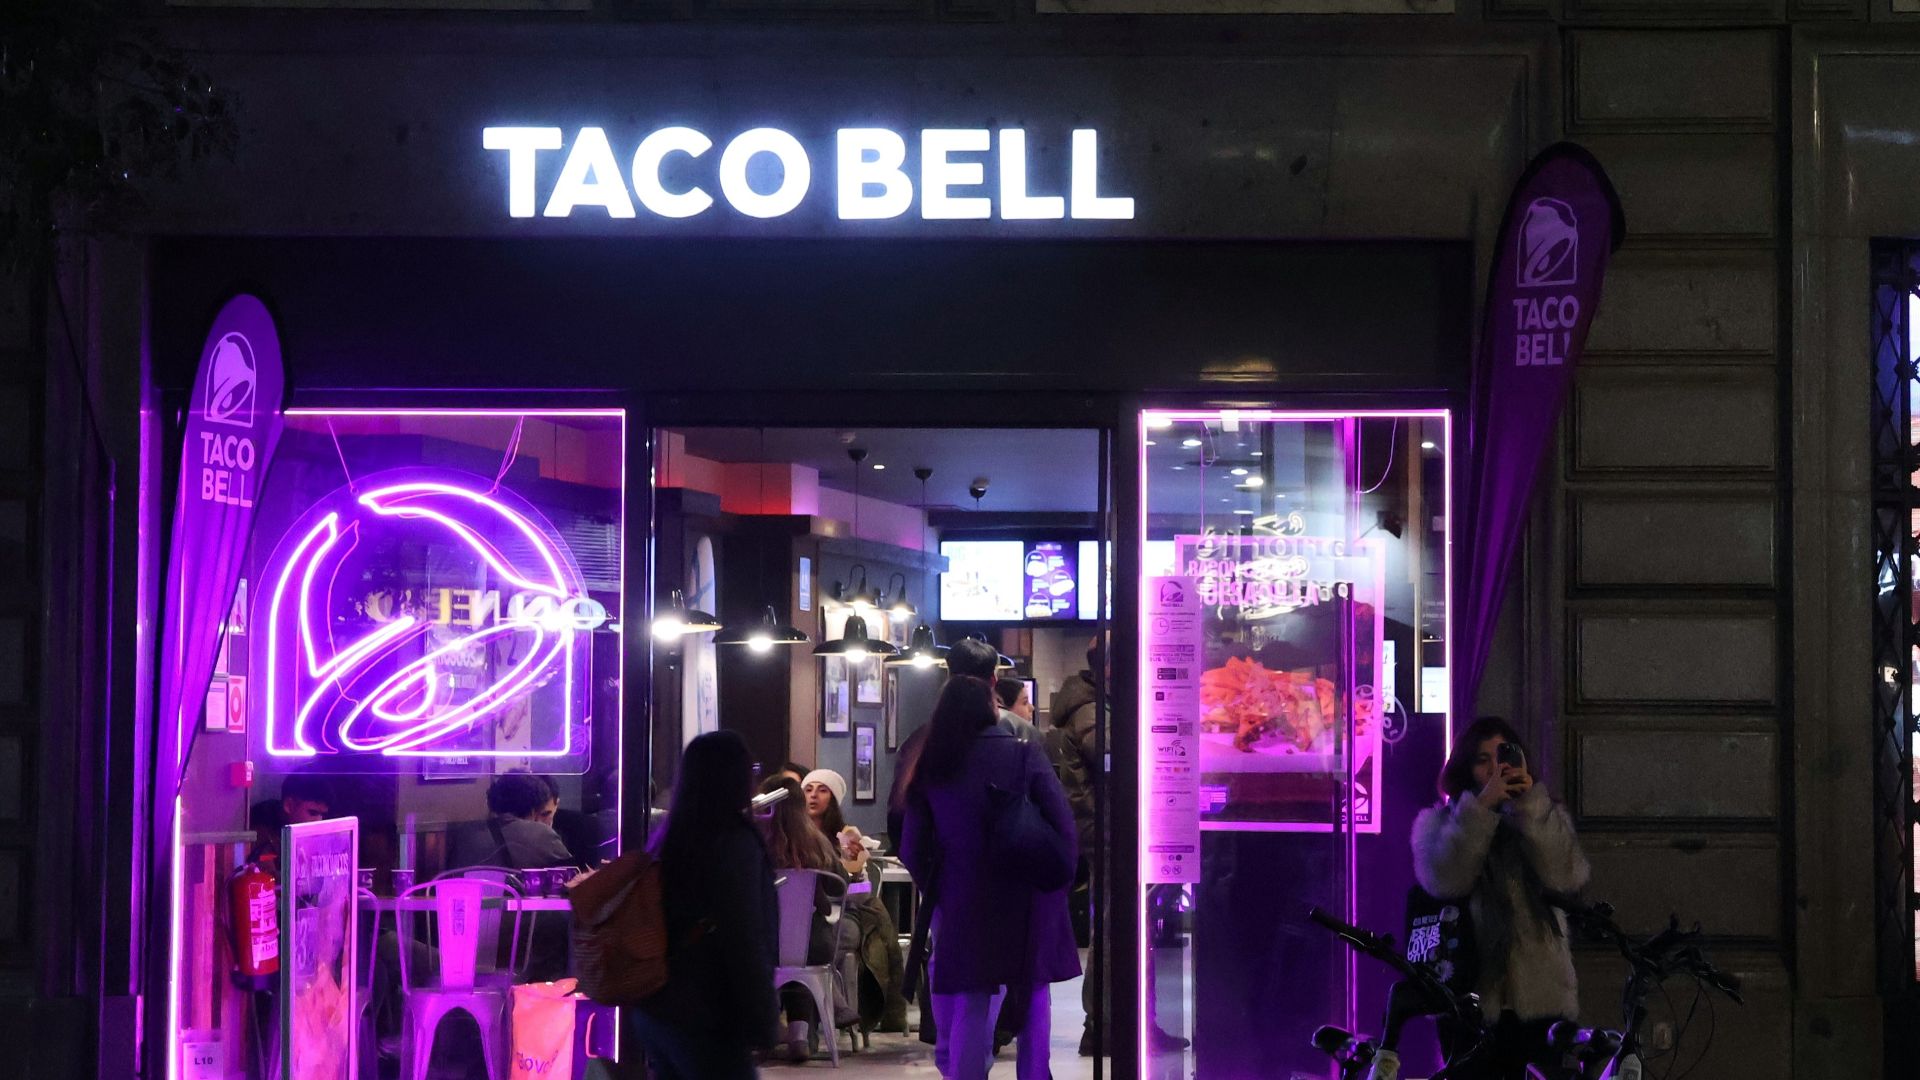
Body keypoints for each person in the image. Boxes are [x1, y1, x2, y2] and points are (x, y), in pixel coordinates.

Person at [901, 674, 1080, 1080]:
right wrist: (1059, 882)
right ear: (991, 708)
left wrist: (941, 890)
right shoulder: (1024, 754)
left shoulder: (933, 765)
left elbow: (912, 846)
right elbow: (1064, 828)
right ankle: (1034, 1074)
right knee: (1034, 992)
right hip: (1028, 891)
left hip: (966, 896)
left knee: (972, 997)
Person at [1407, 717, 1591, 1080]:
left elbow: (1567, 875)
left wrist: (1531, 808)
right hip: (1468, 998)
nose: (1495, 769)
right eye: (1482, 760)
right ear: (1465, 767)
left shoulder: (1540, 815)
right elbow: (1447, 880)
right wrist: (1481, 810)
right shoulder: (1439, 824)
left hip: (1539, 999)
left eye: (1503, 757)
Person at [632, 731, 779, 1079]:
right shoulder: (734, 842)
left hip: (657, 1004)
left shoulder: (668, 838)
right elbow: (743, 935)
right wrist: (763, 1016)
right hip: (709, 1009)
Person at [801, 769, 909, 1034]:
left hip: (844, 913)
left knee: (826, 943)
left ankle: (810, 1022)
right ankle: (830, 1009)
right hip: (803, 917)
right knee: (802, 943)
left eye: (822, 790)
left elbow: (861, 892)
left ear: (833, 798)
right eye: (808, 789)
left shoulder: (847, 837)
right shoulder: (793, 835)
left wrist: (854, 872)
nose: (813, 796)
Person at [1046, 637, 1105, 1054]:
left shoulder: (1091, 705)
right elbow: (1118, 759)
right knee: (1115, 929)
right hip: (1106, 831)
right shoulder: (1090, 712)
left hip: (1096, 828)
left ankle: (1109, 1018)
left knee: (1113, 926)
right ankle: (1103, 1022)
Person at [760, 776, 846, 1061]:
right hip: (814, 945)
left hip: (763, 945)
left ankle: (761, 1031)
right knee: (801, 949)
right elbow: (839, 887)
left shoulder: (755, 843)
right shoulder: (818, 842)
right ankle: (799, 1035)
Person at [478, 771, 575, 870]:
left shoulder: (475, 835)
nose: (539, 821)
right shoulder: (541, 834)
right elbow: (572, 877)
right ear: (533, 808)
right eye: (542, 813)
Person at [249, 772, 335, 860]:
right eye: (313, 813)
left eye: (322, 815)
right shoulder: (261, 836)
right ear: (289, 806)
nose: (319, 821)